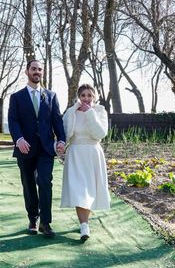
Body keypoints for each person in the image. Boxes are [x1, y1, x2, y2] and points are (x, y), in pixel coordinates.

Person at [8, 59, 66, 238]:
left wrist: (62, 140)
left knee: (45, 181)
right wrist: (19, 139)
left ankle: (46, 223)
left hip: (46, 148)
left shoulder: (51, 96)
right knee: (28, 183)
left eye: (40, 69)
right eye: (34, 69)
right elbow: (13, 121)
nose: (37, 72)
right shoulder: (16, 97)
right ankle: (33, 218)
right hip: (25, 148)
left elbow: (57, 120)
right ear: (27, 72)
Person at [60, 83, 111, 241]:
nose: (86, 98)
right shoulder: (71, 112)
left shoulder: (99, 111)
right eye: (83, 95)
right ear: (79, 97)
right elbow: (66, 134)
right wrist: (60, 144)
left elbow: (100, 134)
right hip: (75, 153)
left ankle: (84, 223)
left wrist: (90, 113)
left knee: (89, 190)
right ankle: (84, 225)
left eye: (90, 95)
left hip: (92, 153)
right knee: (78, 190)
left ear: (94, 97)